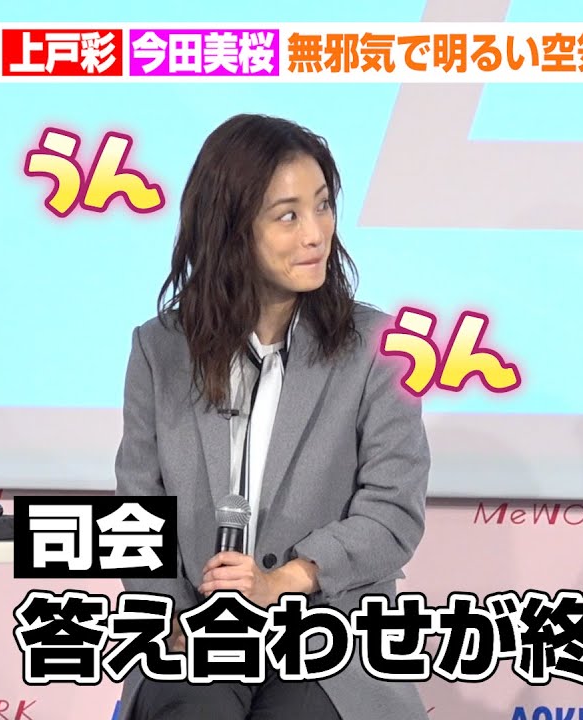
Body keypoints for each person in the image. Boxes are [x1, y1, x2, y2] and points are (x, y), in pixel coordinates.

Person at [114, 114, 431, 720]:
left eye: (323, 206)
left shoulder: (378, 347)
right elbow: (139, 510)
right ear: (230, 230)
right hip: (195, 630)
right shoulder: (160, 350)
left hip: (329, 635)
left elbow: (392, 515)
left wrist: (285, 579)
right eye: (288, 216)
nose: (316, 234)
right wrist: (173, 622)